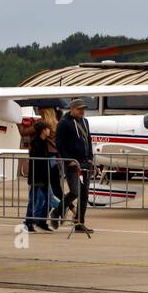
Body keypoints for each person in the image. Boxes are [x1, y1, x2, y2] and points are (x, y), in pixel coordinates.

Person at [57, 98, 95, 234]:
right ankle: (57, 211)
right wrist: (68, 160)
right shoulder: (63, 123)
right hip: (72, 163)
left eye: (83, 109)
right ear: (72, 109)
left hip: (85, 163)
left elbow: (88, 141)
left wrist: (91, 159)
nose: (82, 111)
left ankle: (80, 222)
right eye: (79, 109)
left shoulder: (85, 121)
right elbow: (60, 144)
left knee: (84, 194)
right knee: (74, 191)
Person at [25, 123, 54, 233]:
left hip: (43, 177)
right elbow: (38, 162)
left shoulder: (44, 142)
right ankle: (29, 222)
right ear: (43, 130)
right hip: (37, 177)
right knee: (33, 200)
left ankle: (40, 221)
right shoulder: (37, 143)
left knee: (48, 199)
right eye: (47, 129)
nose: (49, 131)